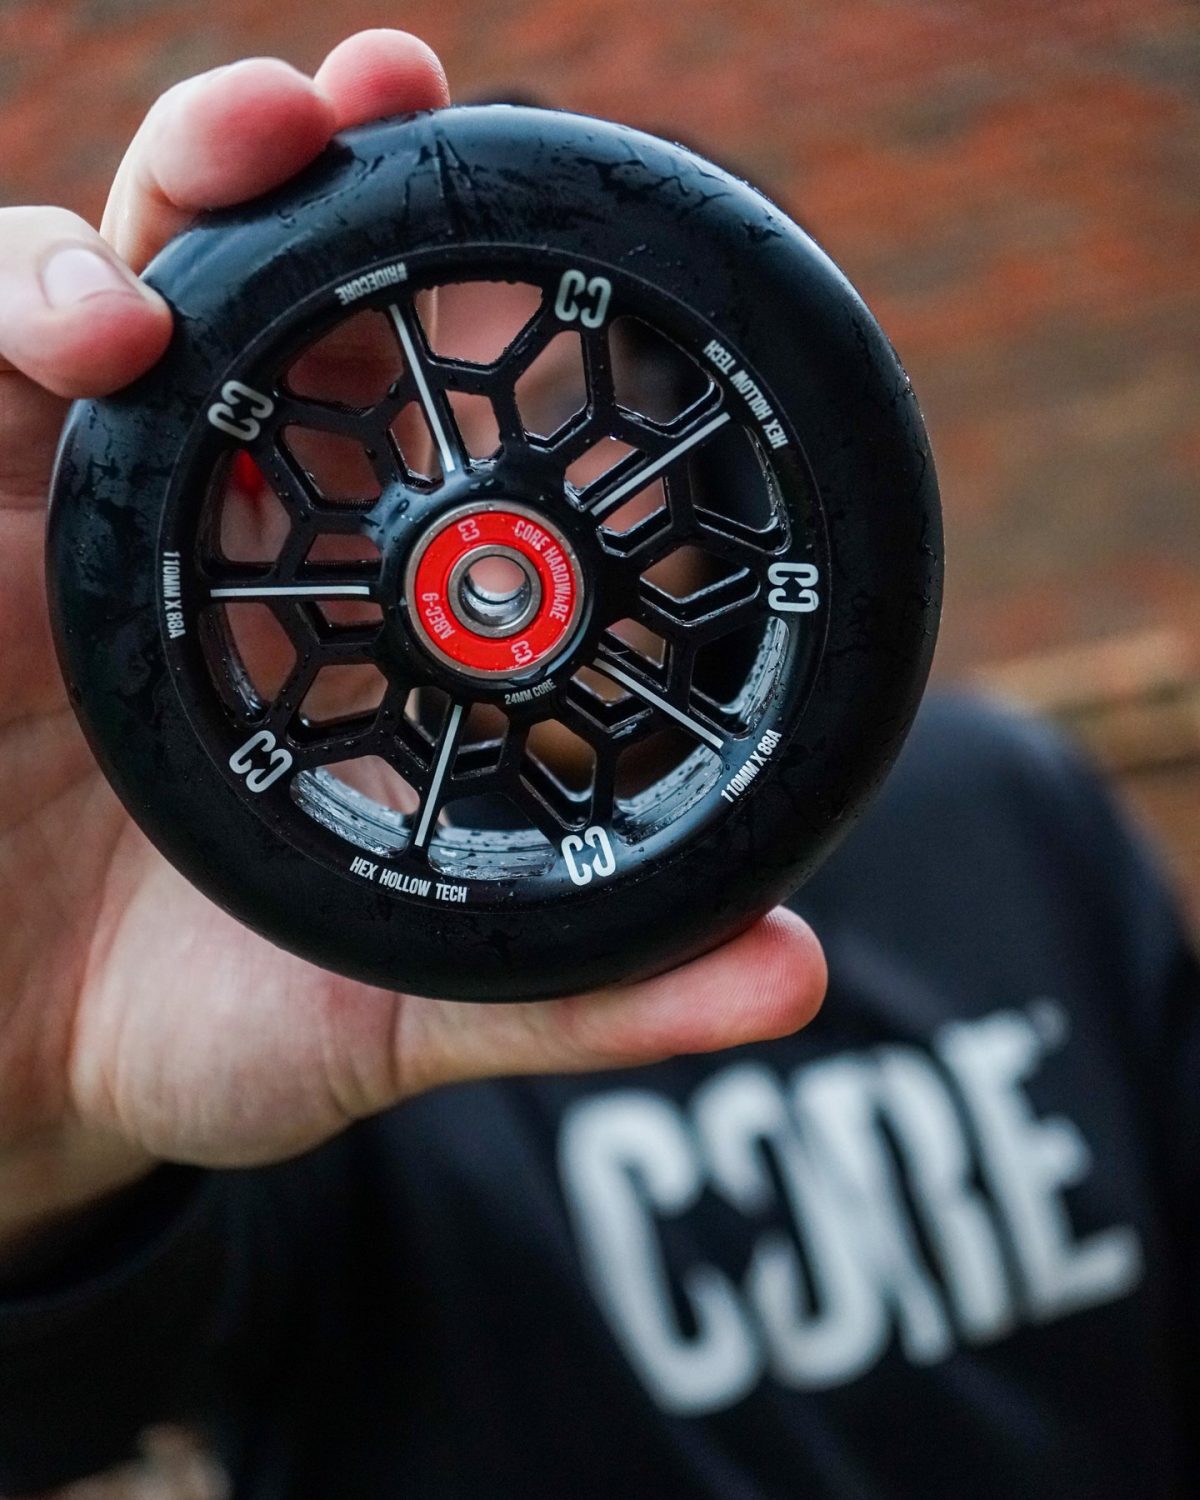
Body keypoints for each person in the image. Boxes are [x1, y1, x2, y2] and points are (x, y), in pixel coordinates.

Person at [0, 29, 1196, 1499]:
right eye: (385, 439)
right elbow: (75, 1403)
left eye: (558, 417)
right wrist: (32, 1144)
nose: (478, 515)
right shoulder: (274, 949)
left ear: (712, 429)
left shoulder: (1011, 812)